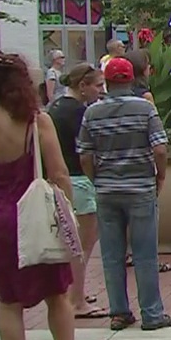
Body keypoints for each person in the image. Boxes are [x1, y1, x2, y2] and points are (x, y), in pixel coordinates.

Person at [0, 53, 92, 340]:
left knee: (9, 301)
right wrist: (69, 214)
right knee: (57, 296)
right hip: (35, 218)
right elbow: (60, 173)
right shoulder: (37, 121)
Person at [77, 57, 171, 331]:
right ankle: (152, 313)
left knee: (111, 254)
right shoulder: (144, 108)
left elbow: (85, 153)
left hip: (107, 188)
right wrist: (160, 176)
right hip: (140, 186)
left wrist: (96, 178)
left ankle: (119, 312)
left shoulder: (92, 113)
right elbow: (159, 148)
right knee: (145, 253)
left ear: (106, 82)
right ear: (132, 80)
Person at [47, 64, 107, 319]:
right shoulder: (80, 113)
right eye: (97, 85)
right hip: (79, 179)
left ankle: (75, 292)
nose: (101, 91)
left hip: (62, 178)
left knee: (73, 241)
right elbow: (87, 149)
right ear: (83, 86)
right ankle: (77, 300)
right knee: (82, 243)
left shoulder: (57, 107)